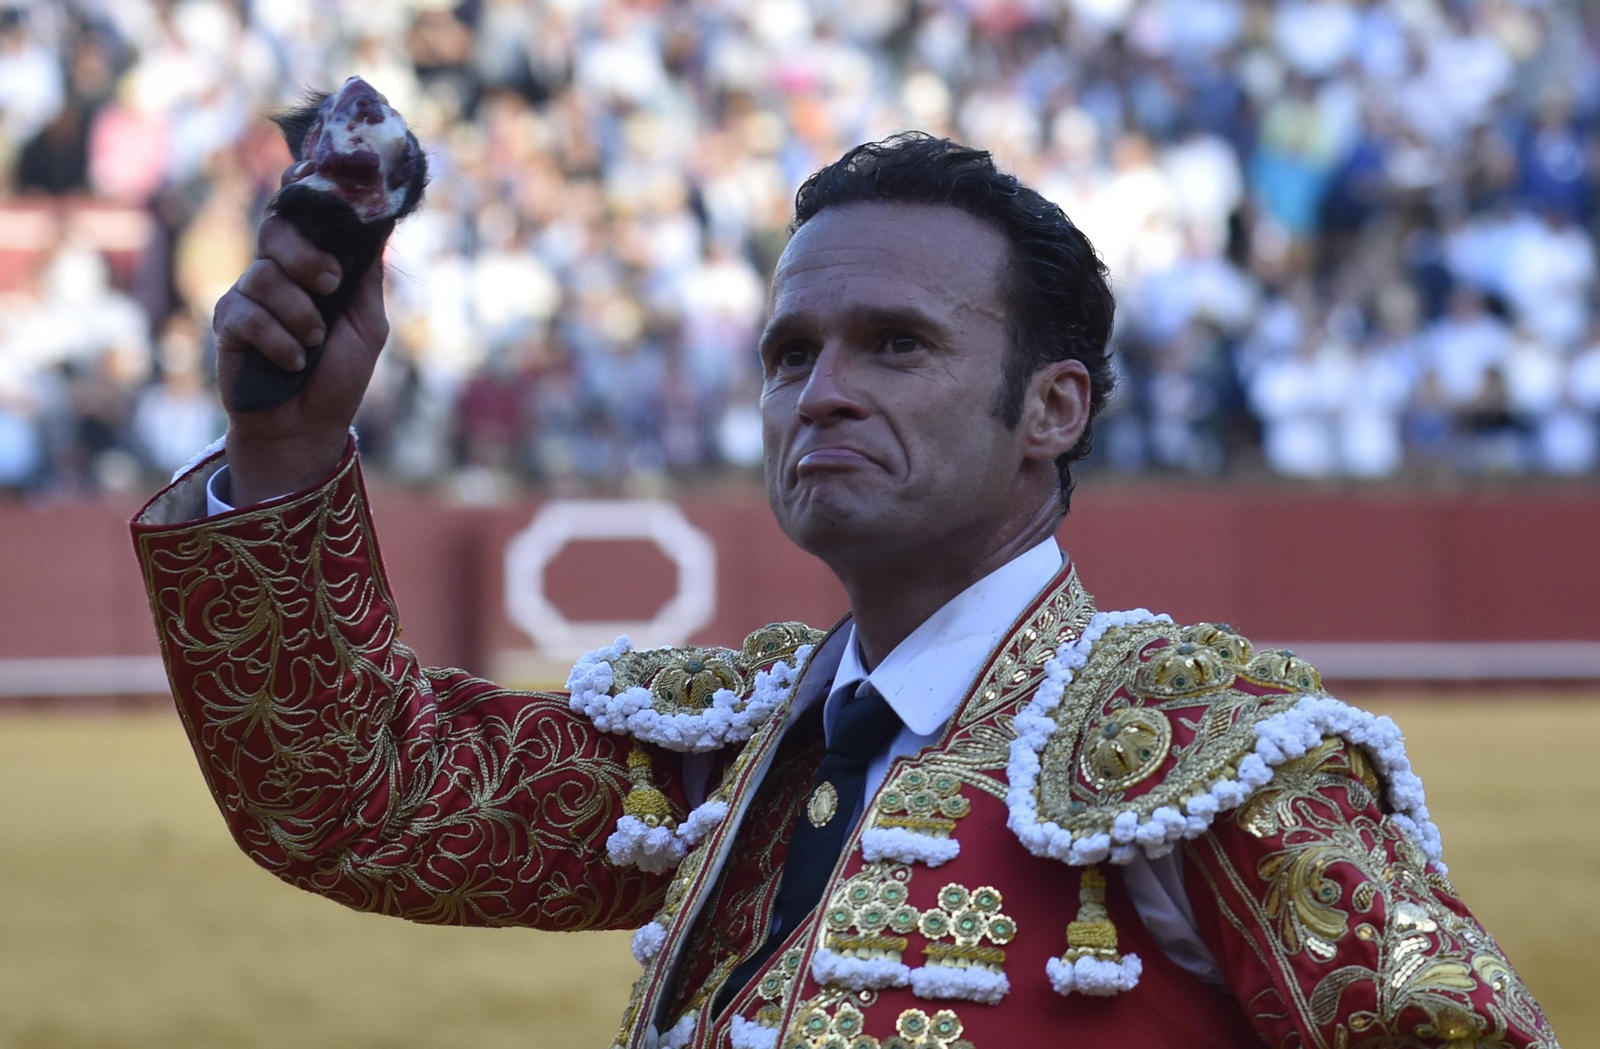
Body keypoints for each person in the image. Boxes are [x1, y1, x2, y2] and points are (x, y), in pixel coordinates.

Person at [130, 134, 1558, 1049]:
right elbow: (363, 794)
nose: (820, 392)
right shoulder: (735, 746)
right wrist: (289, 450)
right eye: (789, 352)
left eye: (895, 345)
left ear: (1051, 408)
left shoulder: (1215, 763)